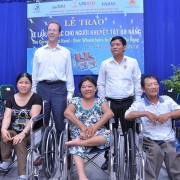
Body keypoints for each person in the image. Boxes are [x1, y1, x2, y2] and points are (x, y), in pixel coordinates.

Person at [97, 35, 142, 169]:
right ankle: (110, 158)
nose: (114, 47)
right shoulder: (105, 63)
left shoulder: (132, 62)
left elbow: (137, 82)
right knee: (109, 132)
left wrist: (137, 103)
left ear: (124, 47)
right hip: (111, 103)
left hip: (128, 102)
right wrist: (103, 102)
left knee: (129, 131)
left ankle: (130, 157)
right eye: (112, 45)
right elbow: (101, 84)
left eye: (117, 44)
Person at [125, 75, 180, 180]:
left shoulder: (167, 100)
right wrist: (145, 113)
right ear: (143, 89)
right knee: (155, 151)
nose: (153, 87)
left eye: (155, 84)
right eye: (149, 85)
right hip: (148, 138)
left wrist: (168, 114)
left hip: (167, 137)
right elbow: (127, 115)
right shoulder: (139, 103)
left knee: (172, 152)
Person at [64, 76, 114, 180]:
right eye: (84, 87)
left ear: (95, 88)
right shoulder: (76, 101)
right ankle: (82, 177)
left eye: (90, 86)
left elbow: (109, 113)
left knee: (109, 136)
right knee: (76, 148)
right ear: (80, 89)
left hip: (97, 132)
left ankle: (78, 143)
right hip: (79, 133)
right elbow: (67, 113)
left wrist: (95, 127)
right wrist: (82, 127)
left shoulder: (101, 101)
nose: (87, 89)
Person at [31, 20, 74, 140]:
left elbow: (69, 73)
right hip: (42, 88)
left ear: (59, 33)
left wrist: (70, 93)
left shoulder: (65, 52)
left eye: (54, 30)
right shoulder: (39, 52)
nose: (51, 32)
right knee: (41, 121)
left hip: (59, 89)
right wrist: (34, 93)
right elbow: (34, 74)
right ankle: (41, 153)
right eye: (49, 30)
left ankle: (63, 152)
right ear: (46, 32)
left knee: (60, 121)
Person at [0, 73, 42, 180]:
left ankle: (23, 174)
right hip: (15, 130)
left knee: (19, 141)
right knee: (5, 134)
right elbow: (7, 116)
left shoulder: (36, 98)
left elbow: (34, 118)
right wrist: (4, 129)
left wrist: (23, 134)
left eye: (27, 83)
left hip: (31, 132)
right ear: (17, 84)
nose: (23, 85)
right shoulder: (11, 98)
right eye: (21, 82)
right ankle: (6, 160)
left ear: (31, 84)